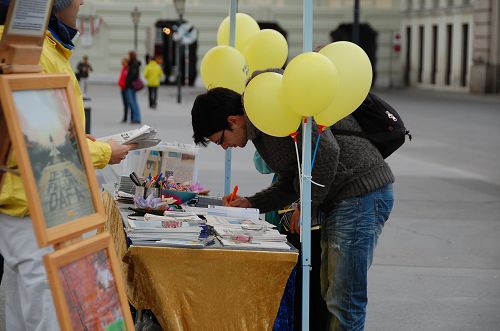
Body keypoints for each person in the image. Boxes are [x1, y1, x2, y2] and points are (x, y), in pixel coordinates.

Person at [191, 84, 395, 330]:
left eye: (221, 140)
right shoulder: (261, 122)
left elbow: (327, 150)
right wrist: (252, 203)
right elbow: (292, 178)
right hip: (343, 198)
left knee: (344, 299)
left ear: (233, 120)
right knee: (330, 295)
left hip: (360, 193)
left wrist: (305, 204)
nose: (225, 147)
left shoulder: (267, 110)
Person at [0, 1, 134, 329]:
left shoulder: (33, 47)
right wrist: (104, 151)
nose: (82, 2)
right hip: (39, 208)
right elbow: (43, 148)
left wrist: (80, 138)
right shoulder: (34, 53)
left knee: (24, 306)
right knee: (47, 311)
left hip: (32, 206)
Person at [254, 151, 328, 331]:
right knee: (303, 292)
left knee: (308, 293)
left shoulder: (307, 132)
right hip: (296, 218)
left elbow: (264, 163)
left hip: (309, 222)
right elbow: (263, 163)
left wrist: (304, 206)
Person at [124, 50, 142, 124]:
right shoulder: (134, 63)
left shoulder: (133, 64)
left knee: (132, 103)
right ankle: (136, 117)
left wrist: (127, 82)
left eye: (129, 55)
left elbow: (133, 75)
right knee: (134, 102)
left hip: (130, 86)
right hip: (132, 86)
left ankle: (136, 118)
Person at [118, 56, 129, 122]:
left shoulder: (127, 69)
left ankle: (125, 118)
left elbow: (126, 79)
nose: (122, 63)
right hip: (122, 88)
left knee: (126, 104)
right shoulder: (124, 68)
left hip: (125, 88)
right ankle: (125, 117)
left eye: (123, 62)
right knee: (125, 103)